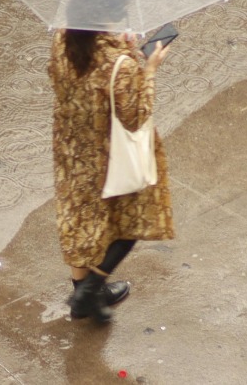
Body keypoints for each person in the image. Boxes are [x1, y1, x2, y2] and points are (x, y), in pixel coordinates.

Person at [47, 28, 174, 323]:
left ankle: (83, 294)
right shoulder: (120, 64)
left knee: (80, 222)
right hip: (108, 156)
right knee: (133, 219)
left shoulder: (63, 39)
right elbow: (136, 115)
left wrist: (125, 50)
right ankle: (89, 290)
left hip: (71, 148)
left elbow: (59, 77)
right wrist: (149, 69)